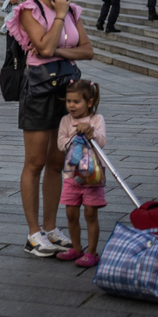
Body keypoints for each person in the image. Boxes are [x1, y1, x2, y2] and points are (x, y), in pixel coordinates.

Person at [5, 0, 94, 257]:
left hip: (66, 91)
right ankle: (33, 234)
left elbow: (88, 50)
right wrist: (58, 17)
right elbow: (41, 48)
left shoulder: (73, 10)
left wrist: (55, 46)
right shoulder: (29, 10)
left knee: (57, 162)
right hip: (39, 90)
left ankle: (51, 228)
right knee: (35, 163)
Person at [56, 80, 106, 268]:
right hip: (71, 177)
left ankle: (92, 252)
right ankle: (76, 248)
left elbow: (102, 142)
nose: (71, 105)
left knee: (91, 214)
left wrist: (91, 132)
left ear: (90, 102)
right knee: (71, 214)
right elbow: (61, 144)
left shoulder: (97, 119)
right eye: (69, 101)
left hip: (92, 178)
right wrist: (76, 136)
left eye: (76, 102)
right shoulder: (65, 121)